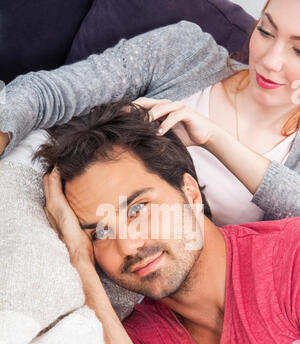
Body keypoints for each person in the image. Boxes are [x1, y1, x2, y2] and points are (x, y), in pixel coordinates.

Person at [37, 100, 300, 344]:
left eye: (138, 208)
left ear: (189, 193)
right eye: (99, 232)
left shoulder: (290, 259)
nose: (128, 245)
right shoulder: (134, 343)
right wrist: (81, 264)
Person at [0, 0, 300, 224]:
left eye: (298, 50)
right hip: (46, 191)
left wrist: (213, 138)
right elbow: (54, 91)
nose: (271, 61)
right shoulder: (186, 51)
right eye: (265, 31)